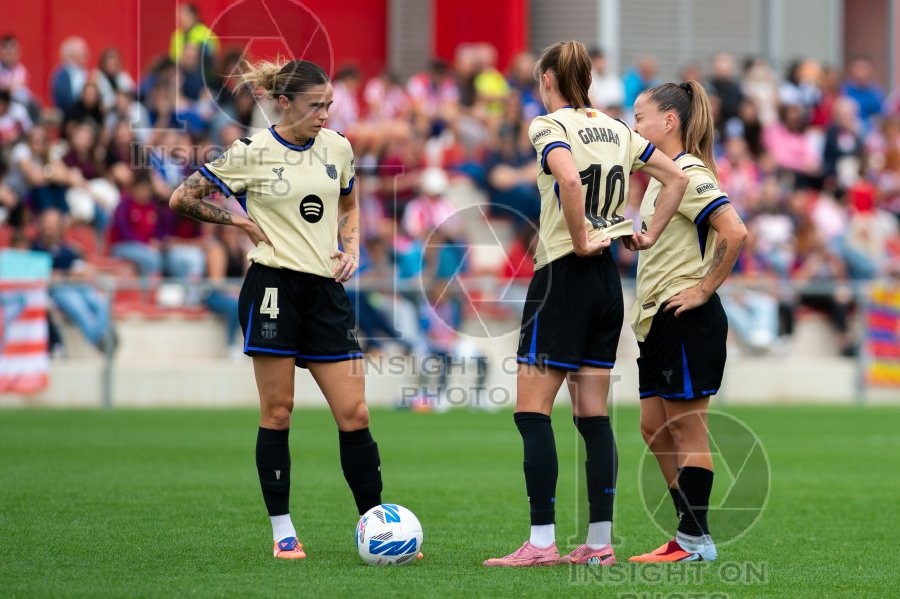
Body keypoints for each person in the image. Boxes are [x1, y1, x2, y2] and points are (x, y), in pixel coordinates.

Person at [169, 58, 396, 561]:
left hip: (325, 293)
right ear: (284, 103)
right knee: (278, 412)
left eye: (328, 105)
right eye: (315, 106)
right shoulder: (252, 152)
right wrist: (239, 222)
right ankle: (283, 532)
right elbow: (181, 197)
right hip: (272, 288)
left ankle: (377, 526)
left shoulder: (338, 147)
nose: (324, 114)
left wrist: (351, 247)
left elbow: (349, 203)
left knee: (355, 413)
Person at [483, 41, 688, 568]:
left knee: (532, 413)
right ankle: (599, 545)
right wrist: (645, 232)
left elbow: (569, 178)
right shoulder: (619, 129)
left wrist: (577, 237)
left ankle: (541, 543)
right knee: (593, 416)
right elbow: (677, 177)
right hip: (605, 281)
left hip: (564, 274)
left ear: (548, 80)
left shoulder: (548, 125)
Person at [627, 81, 748, 563]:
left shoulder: (690, 174)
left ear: (669, 121)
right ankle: (689, 534)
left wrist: (703, 289)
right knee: (653, 427)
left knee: (686, 430)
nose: (635, 126)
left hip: (685, 317)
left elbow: (734, 231)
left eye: (640, 117)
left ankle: (695, 541)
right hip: (658, 320)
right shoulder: (662, 177)